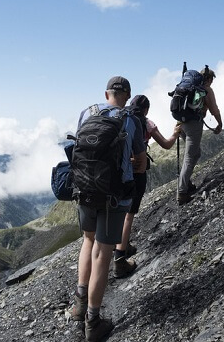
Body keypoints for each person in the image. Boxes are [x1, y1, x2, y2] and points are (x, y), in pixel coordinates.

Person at [69, 76, 147, 341]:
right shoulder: (132, 120)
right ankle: (93, 321)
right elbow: (141, 163)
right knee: (103, 252)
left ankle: (79, 305)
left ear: (106, 94)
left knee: (87, 241)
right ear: (127, 95)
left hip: (83, 190)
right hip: (114, 195)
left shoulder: (86, 113)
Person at [113, 94, 181, 277]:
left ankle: (120, 243)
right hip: (137, 173)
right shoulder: (147, 123)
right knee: (129, 214)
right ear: (146, 110)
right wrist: (175, 134)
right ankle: (120, 257)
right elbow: (166, 145)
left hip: (117, 173)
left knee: (118, 210)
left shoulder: (120, 119)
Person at [177, 66, 223, 205]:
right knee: (190, 157)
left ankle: (186, 182)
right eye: (211, 80)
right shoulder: (206, 89)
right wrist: (220, 123)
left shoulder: (186, 86)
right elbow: (214, 108)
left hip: (181, 123)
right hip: (193, 125)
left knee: (195, 154)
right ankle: (182, 192)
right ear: (208, 78)